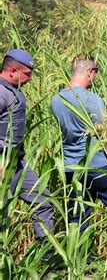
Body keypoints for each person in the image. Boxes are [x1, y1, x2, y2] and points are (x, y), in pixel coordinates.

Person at [50, 55, 107, 234]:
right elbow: (106, 136)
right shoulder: (92, 100)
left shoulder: (57, 100)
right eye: (96, 73)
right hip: (98, 165)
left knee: (78, 217)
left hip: (71, 167)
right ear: (90, 72)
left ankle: (80, 258)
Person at [0, 49, 55, 240]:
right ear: (13, 71)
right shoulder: (1, 93)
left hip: (15, 164)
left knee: (43, 203)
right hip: (2, 163)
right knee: (2, 213)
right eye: (28, 74)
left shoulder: (12, 91)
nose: (30, 79)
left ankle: (48, 262)